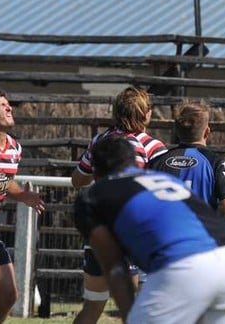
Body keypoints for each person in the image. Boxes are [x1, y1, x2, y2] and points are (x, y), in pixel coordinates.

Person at [74, 135, 225, 324]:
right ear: (133, 160)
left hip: (183, 262)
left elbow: (114, 267)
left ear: (96, 172)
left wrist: (130, 317)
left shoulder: (93, 197)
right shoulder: (164, 179)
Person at [71, 86, 167, 324]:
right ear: (145, 113)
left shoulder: (100, 140)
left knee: (92, 308)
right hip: (131, 235)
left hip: (99, 234)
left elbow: (77, 179)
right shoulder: (152, 147)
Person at [0, 90, 45, 324]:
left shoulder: (14, 149)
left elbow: (5, 181)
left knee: (9, 295)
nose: (9, 108)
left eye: (9, 105)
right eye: (2, 105)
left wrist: (22, 195)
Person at [149, 101, 225, 243]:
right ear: (207, 131)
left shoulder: (156, 162)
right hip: (201, 246)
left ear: (176, 131)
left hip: (164, 244)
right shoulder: (216, 163)